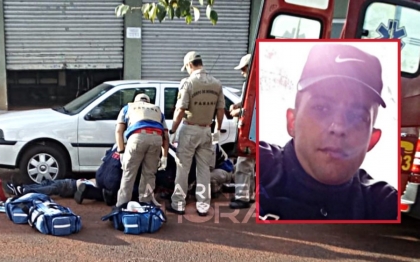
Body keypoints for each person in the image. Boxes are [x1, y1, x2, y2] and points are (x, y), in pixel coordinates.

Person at [258, 43, 398, 220]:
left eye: (358, 117)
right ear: (292, 122)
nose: (338, 127)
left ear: (372, 140)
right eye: (322, 108)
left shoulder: (383, 206)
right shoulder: (257, 168)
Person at [167, 51, 226, 216]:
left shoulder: (188, 83)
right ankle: (203, 206)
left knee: (182, 168)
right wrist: (217, 129)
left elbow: (181, 109)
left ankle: (178, 203)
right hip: (207, 130)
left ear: (190, 65)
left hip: (190, 129)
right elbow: (220, 110)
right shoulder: (217, 83)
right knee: (204, 170)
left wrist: (173, 130)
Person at [114, 93, 169, 208]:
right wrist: (164, 156)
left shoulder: (127, 108)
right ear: (148, 102)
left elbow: (119, 131)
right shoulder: (157, 110)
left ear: (135, 101)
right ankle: (146, 203)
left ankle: (122, 205)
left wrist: (121, 151)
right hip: (156, 139)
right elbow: (166, 136)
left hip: (137, 138)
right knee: (149, 174)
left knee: (129, 173)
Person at [229, 54, 256, 209]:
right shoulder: (256, 83)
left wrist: (237, 112)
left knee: (243, 164)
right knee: (250, 164)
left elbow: (251, 109)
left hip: (249, 130)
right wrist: (238, 105)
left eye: (243, 68)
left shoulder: (252, 83)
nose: (242, 72)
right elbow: (248, 102)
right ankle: (249, 195)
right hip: (253, 130)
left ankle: (242, 197)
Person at [5, 179, 104, 203]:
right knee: (47, 183)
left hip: (73, 186)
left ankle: (24, 190)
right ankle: (22, 187)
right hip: (73, 183)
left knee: (53, 187)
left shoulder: (102, 189)